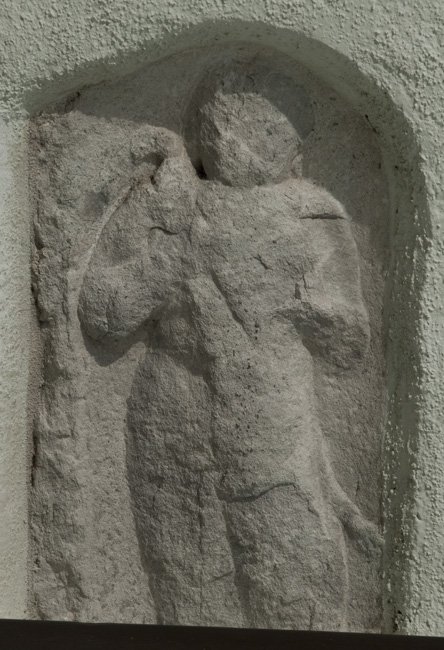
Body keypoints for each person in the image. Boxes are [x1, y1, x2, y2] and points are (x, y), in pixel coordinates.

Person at [79, 61, 381, 630]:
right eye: (227, 123)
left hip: (272, 432)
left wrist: (298, 304)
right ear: (205, 128)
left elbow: (349, 344)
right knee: (187, 598)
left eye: (271, 129)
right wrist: (168, 261)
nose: (239, 140)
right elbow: (102, 314)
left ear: (292, 144)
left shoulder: (310, 214)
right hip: (172, 431)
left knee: (296, 593)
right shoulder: (167, 203)